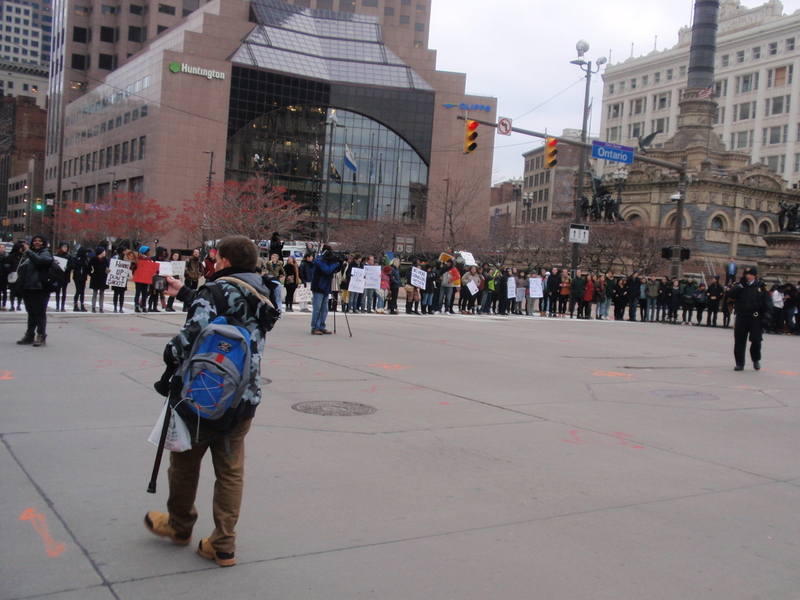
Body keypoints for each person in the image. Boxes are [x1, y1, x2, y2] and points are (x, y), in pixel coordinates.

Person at [144, 235, 275, 567]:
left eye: (216, 260)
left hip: (201, 397)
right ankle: (223, 543)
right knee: (230, 470)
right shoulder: (267, 293)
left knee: (185, 462)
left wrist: (168, 354)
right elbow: (233, 312)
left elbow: (189, 339)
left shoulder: (213, 291)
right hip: (243, 396)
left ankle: (179, 525)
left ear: (226, 261)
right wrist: (188, 293)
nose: (213, 264)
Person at [728, 266, 772, 371]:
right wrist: (738, 287)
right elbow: (730, 296)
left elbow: (768, 303)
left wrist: (767, 316)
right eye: (746, 274)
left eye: (750, 274)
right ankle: (740, 363)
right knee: (739, 341)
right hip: (741, 317)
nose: (748, 276)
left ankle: (756, 359)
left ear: (754, 276)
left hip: (755, 317)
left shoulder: (761, 287)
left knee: (756, 340)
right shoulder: (740, 286)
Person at [16, 235, 54, 347]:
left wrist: (28, 252)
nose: (37, 242)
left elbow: (41, 262)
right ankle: (29, 335)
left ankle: (41, 336)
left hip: (40, 287)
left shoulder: (45, 253)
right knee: (31, 313)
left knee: (39, 313)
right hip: (28, 287)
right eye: (35, 241)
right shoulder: (28, 254)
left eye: (40, 241)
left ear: (43, 243)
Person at [309, 245, 343, 335]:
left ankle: (321, 326)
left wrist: (340, 263)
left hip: (326, 287)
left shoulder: (327, 261)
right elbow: (327, 270)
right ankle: (315, 327)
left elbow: (334, 271)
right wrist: (336, 263)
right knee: (317, 308)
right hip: (318, 287)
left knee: (324, 309)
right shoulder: (319, 261)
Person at [53, 242, 74, 312]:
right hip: (58, 275)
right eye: (64, 247)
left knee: (64, 291)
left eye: (66, 247)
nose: (65, 248)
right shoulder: (56, 255)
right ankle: (57, 306)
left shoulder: (69, 256)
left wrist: (67, 268)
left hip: (65, 276)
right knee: (57, 291)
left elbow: (73, 265)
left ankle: (62, 306)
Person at [89, 246, 110, 313]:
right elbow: (89, 268)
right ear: (100, 252)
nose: (105, 252)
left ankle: (101, 308)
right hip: (95, 278)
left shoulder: (105, 260)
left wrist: (108, 270)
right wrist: (91, 274)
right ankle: (93, 307)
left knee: (102, 294)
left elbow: (107, 267)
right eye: (104, 251)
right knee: (95, 293)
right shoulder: (93, 259)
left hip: (103, 278)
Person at [132, 245, 153, 313]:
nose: (149, 252)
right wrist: (135, 265)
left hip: (145, 278)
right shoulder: (137, 258)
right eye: (148, 251)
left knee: (144, 293)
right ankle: (136, 306)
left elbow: (152, 268)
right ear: (145, 252)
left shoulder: (149, 259)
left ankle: (143, 306)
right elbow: (132, 267)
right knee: (138, 293)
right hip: (138, 278)